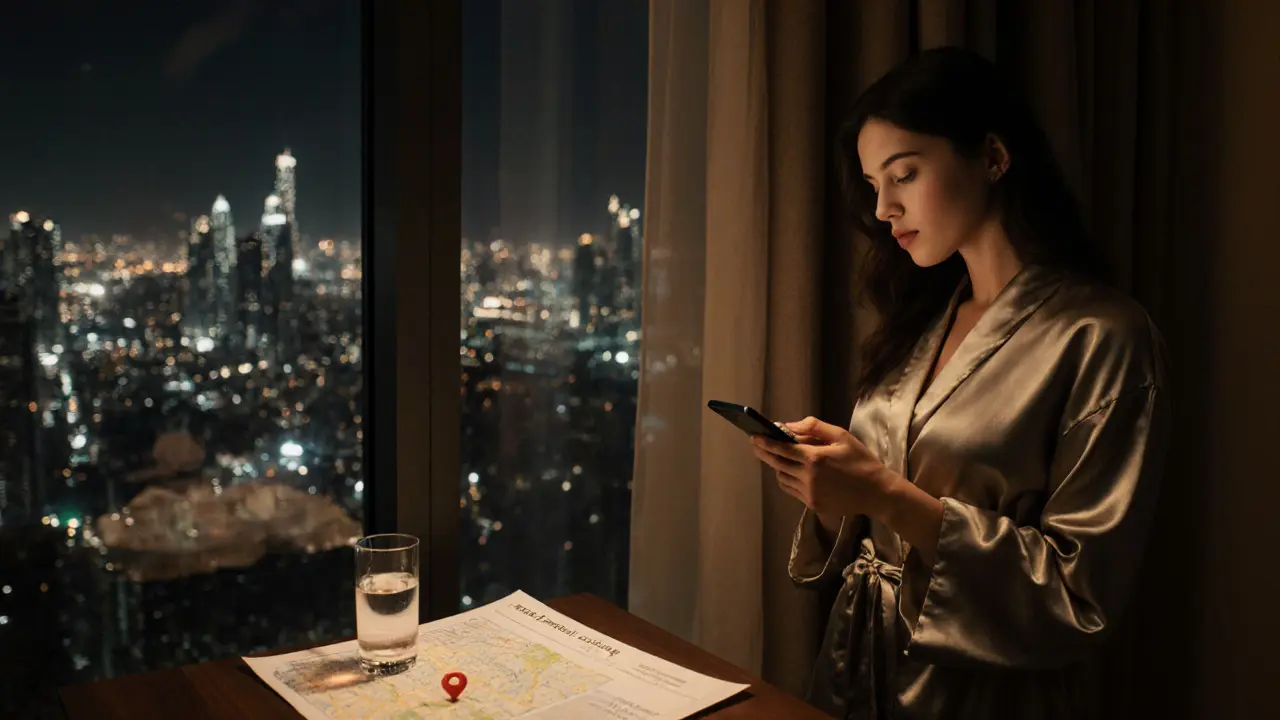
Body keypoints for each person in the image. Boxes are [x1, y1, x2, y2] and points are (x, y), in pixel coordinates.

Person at [748, 47, 1169, 719]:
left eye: (904, 174)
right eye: (873, 184)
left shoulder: (1102, 335)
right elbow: (874, 526)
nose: (884, 208)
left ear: (994, 158)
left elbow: (1080, 595)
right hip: (853, 670)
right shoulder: (921, 322)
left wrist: (884, 494)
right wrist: (832, 496)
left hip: (983, 693)